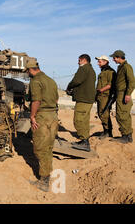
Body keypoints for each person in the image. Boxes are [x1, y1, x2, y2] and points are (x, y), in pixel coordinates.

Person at [25, 59, 59, 192]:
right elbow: (56, 99)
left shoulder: (35, 81)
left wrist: (32, 116)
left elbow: (36, 100)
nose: (27, 73)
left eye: (27, 71)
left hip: (42, 117)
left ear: (30, 69)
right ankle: (46, 175)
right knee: (48, 147)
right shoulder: (51, 80)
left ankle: (44, 181)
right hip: (53, 116)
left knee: (40, 148)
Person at [66, 54, 96, 152]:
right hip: (88, 99)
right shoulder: (91, 70)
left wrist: (69, 86)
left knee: (78, 120)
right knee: (85, 120)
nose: (78, 62)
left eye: (79, 60)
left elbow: (77, 81)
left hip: (83, 99)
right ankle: (84, 141)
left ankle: (85, 142)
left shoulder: (83, 69)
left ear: (84, 60)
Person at [109, 50, 134, 144]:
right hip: (120, 94)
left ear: (119, 57)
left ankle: (126, 136)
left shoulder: (127, 67)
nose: (113, 59)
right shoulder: (121, 67)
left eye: (114, 58)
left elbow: (131, 81)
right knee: (121, 115)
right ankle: (126, 135)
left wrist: (128, 94)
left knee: (122, 115)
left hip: (124, 94)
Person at [95, 55, 116, 139]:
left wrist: (101, 90)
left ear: (105, 62)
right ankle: (106, 130)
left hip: (106, 95)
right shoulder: (103, 71)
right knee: (101, 113)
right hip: (100, 95)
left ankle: (108, 131)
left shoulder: (110, 71)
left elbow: (111, 84)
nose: (98, 63)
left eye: (99, 61)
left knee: (104, 113)